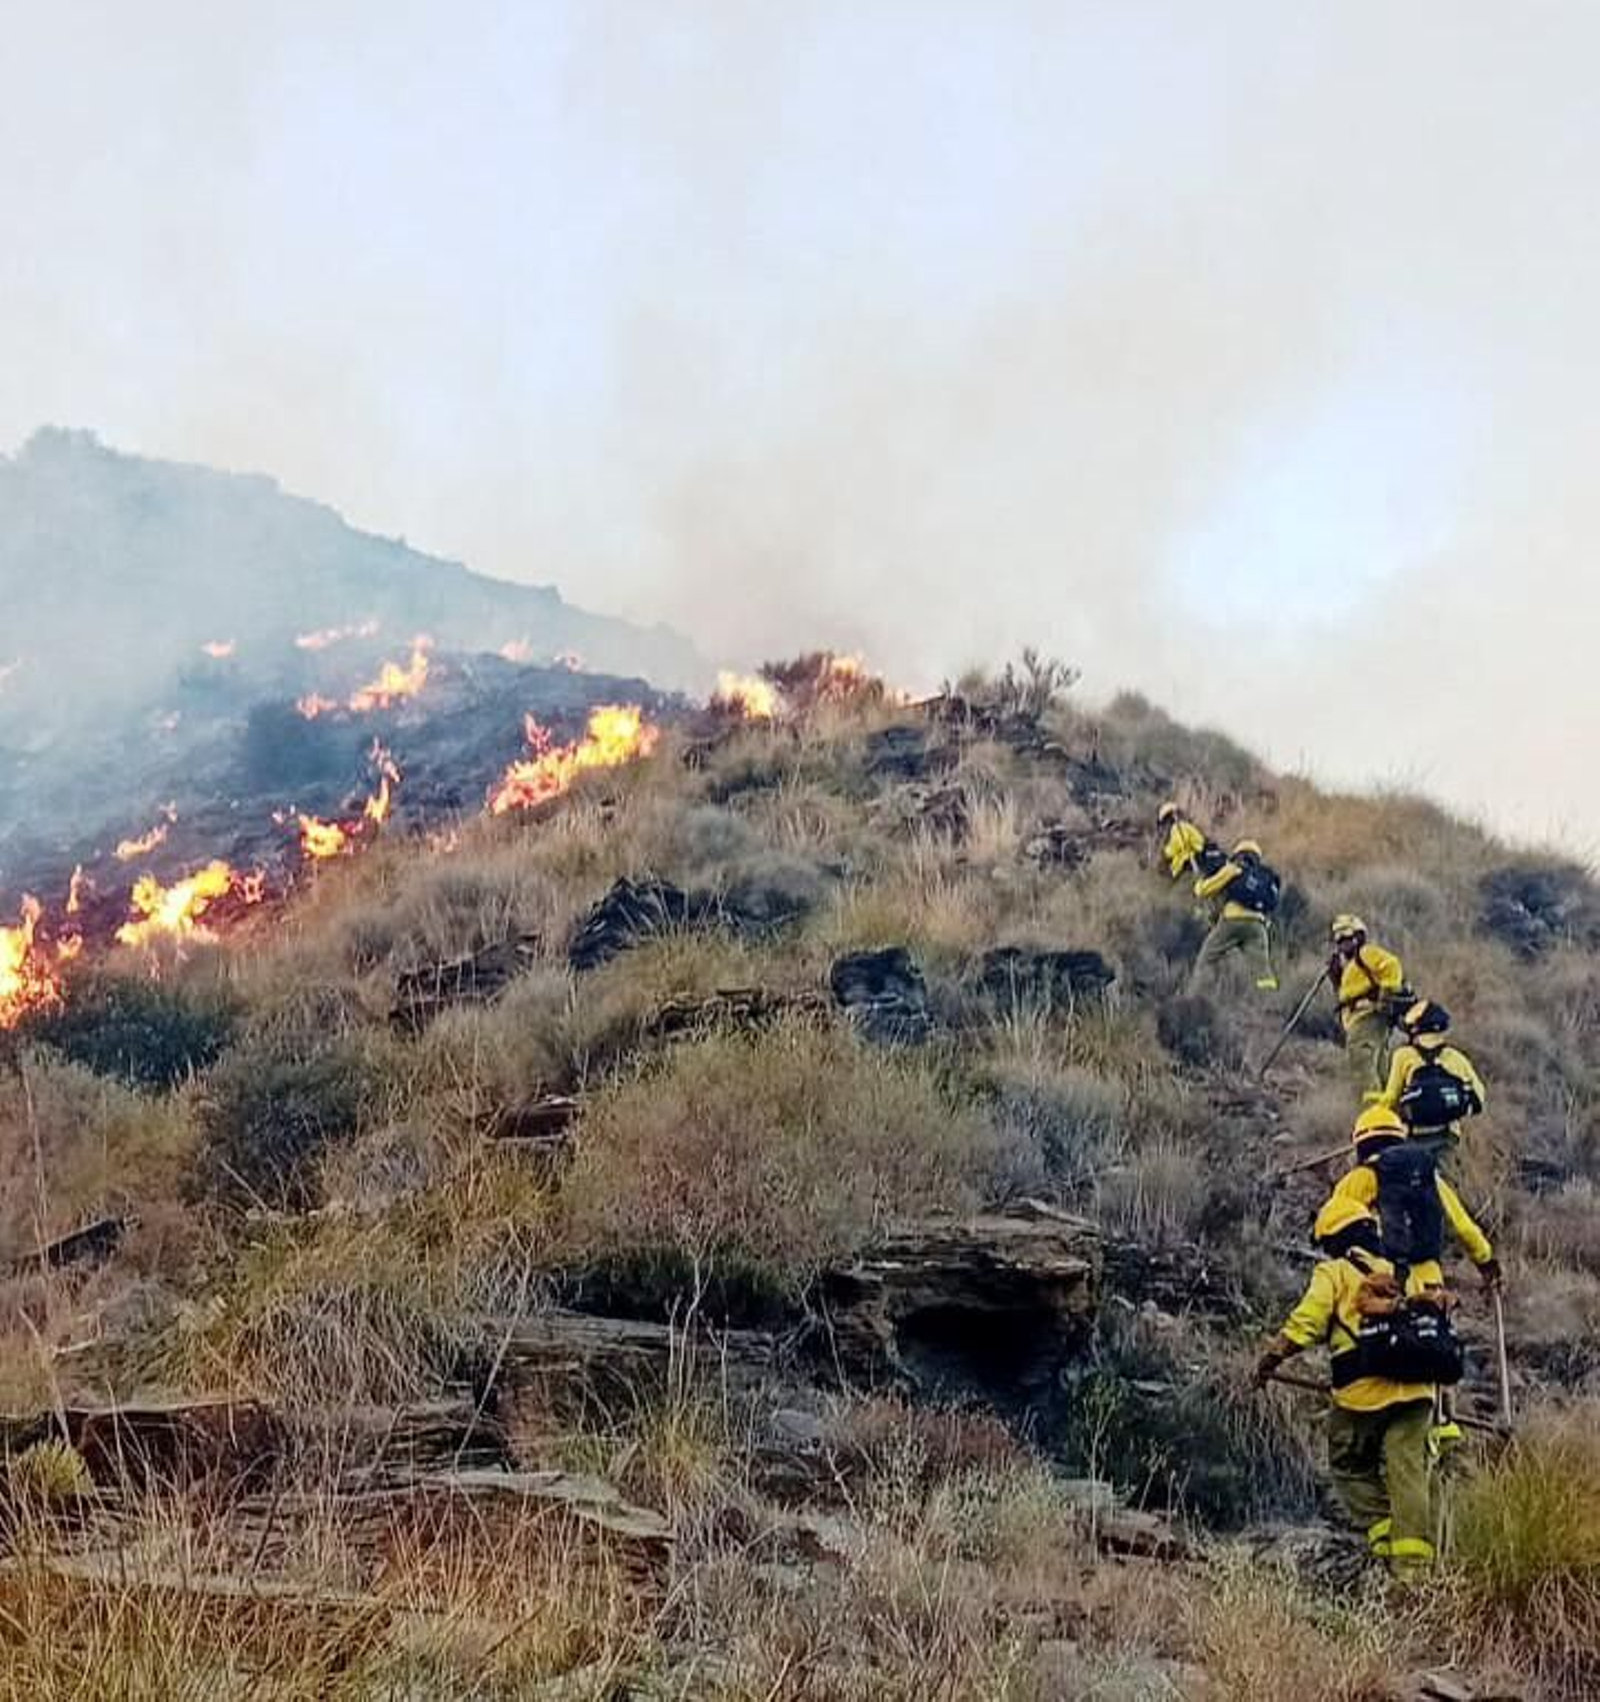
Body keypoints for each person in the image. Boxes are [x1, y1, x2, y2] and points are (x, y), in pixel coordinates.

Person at [1255, 1200, 1444, 1584]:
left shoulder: (1337, 1271)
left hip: (1362, 1395)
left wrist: (1270, 1361)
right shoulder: (1407, 1272)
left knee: (1348, 1465)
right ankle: (1414, 1571)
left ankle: (1385, 1538)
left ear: (1335, 1239)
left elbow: (1307, 1322)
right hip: (1418, 1391)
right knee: (1408, 1473)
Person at [1315, 1106, 1502, 1292]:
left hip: (1383, 1279)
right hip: (1429, 1279)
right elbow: (1462, 1226)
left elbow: (1332, 1224)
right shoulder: (1428, 1176)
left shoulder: (1360, 1178)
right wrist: (1485, 1261)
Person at [1379, 1000, 1486, 1166]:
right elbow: (1479, 1098)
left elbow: (1390, 1098)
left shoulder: (1403, 1056)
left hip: (1412, 1137)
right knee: (1444, 1186)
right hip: (1447, 1137)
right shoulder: (1456, 1058)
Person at [1329, 915, 1408, 1101]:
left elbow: (1392, 965)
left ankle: (1373, 1111)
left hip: (1367, 1015)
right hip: (1363, 1019)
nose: (1343, 943)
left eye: (1347, 938)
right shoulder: (1351, 964)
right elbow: (1348, 993)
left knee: (1361, 1062)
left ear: (1359, 936)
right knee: (1380, 1067)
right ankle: (1390, 1110)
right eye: (1339, 940)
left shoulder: (1367, 953)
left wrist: (1386, 997)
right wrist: (1337, 978)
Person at [1190, 838, 1281, 992]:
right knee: (1263, 972)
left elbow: (1204, 891)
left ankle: (1195, 996)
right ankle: (1269, 1003)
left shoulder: (1234, 868)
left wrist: (1198, 884)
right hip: (1258, 927)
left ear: (1239, 854)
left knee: (1205, 960)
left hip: (1232, 921)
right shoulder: (1264, 876)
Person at [1156, 802, 1215, 881]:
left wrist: (1165, 853)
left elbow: (1178, 845)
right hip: (1197, 856)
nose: (1165, 825)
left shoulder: (1177, 828)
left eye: (1165, 821)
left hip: (1196, 859)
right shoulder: (1183, 826)